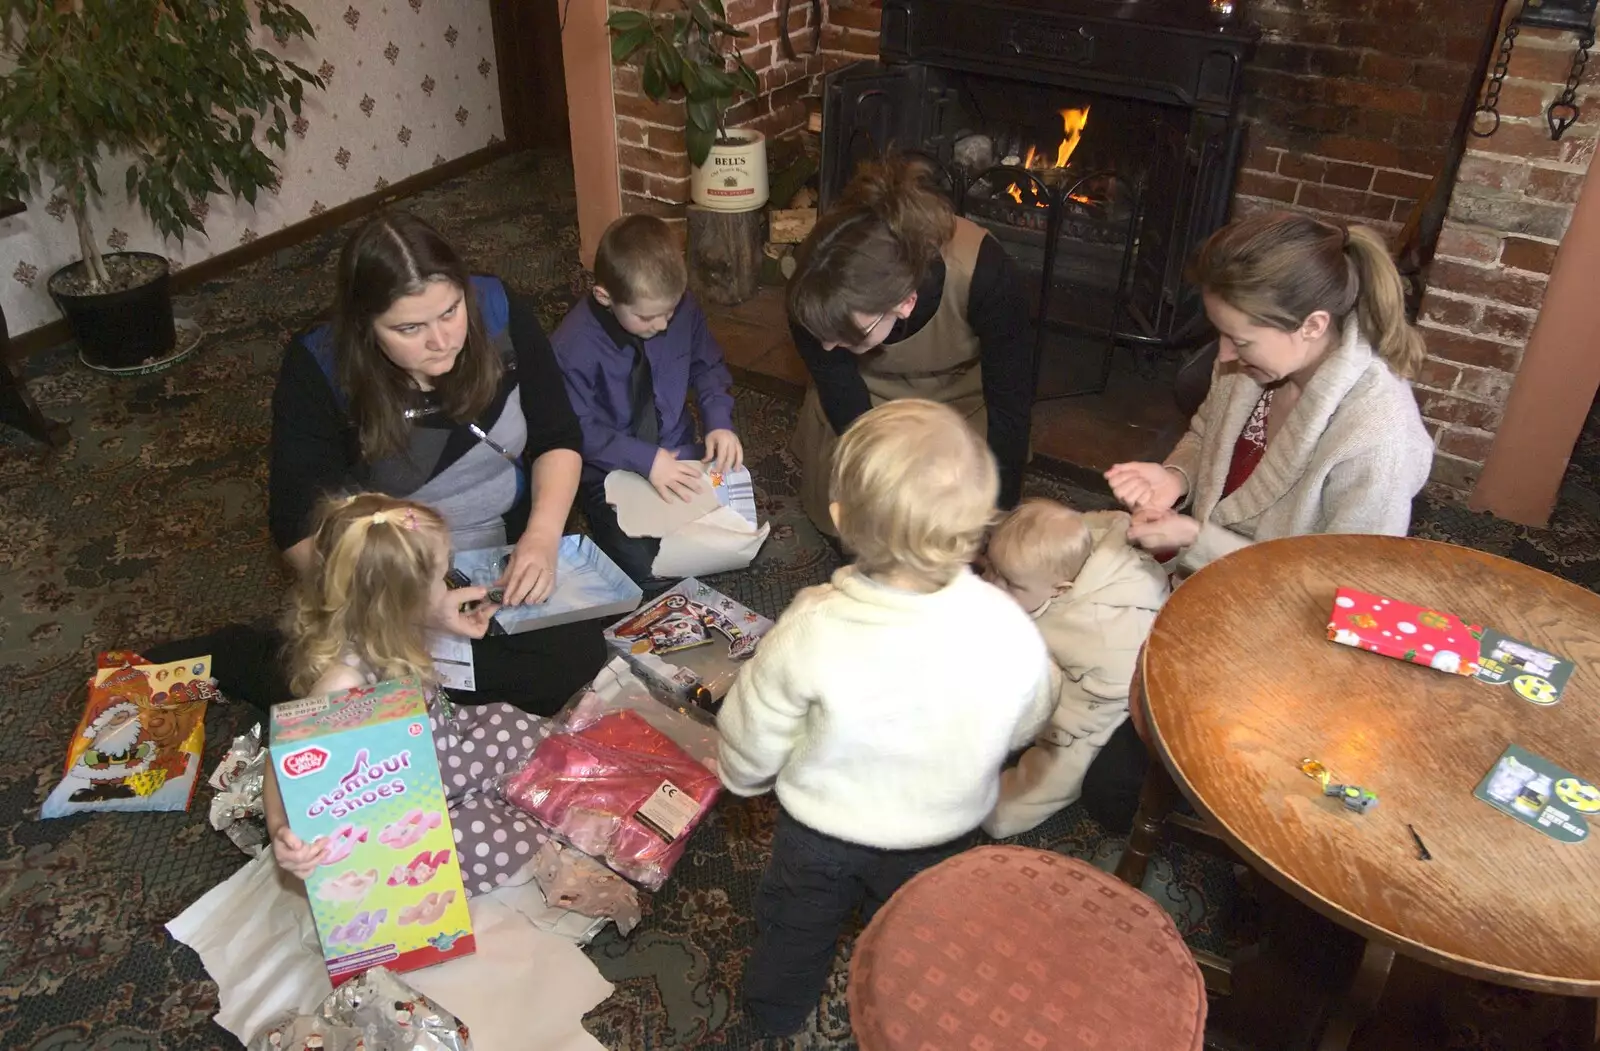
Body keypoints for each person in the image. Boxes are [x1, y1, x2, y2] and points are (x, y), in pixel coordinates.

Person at [1084, 211, 1434, 832]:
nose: (1221, 355)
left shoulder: (1379, 439)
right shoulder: (1256, 367)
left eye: (1239, 340)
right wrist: (1176, 478)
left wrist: (1197, 538)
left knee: (1113, 794)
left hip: (1292, 647)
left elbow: (1347, 597)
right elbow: (1203, 434)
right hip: (1209, 590)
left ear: (1313, 325)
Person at [715, 399, 1054, 1036]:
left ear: (841, 518)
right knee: (916, 931)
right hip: (941, 829)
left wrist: (744, 777)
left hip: (821, 833)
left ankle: (772, 1014)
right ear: (980, 525)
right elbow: (1030, 718)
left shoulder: (814, 623)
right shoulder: (1010, 627)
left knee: (796, 921)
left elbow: (755, 718)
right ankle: (908, 1016)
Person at [263, 210, 608, 715]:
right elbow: (297, 528)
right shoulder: (321, 365)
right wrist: (410, 601)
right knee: (351, 686)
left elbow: (558, 437)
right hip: (391, 576)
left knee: (577, 657)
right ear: (366, 326)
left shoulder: (500, 310)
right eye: (409, 328)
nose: (441, 340)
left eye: (450, 313)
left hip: (500, 552)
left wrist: (541, 536)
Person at [264, 493, 553, 896]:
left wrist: (440, 614)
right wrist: (280, 829)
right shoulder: (343, 682)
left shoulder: (388, 623)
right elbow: (282, 765)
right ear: (402, 600)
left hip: (444, 746)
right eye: (442, 575)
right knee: (486, 838)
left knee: (514, 726)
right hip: (406, 796)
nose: (450, 579)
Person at [786, 154, 1035, 539]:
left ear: (905, 301)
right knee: (863, 530)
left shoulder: (987, 274)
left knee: (958, 530)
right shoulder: (815, 283)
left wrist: (998, 514)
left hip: (957, 407)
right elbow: (842, 395)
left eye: (850, 334)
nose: (827, 344)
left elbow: (1010, 403)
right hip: (863, 401)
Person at [549, 214, 742, 582]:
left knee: (734, 530)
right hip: (610, 469)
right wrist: (645, 459)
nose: (664, 325)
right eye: (648, 316)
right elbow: (576, 429)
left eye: (670, 310)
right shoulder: (571, 347)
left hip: (677, 448)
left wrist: (719, 421)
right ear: (605, 296)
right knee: (646, 567)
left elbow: (707, 364)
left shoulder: (680, 308)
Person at [979, 498, 1168, 839]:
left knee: (1001, 816)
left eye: (1009, 583)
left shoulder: (1104, 637)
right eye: (991, 568)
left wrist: (1037, 727)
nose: (992, 583)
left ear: (1060, 589)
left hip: (1091, 715)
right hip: (1048, 668)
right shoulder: (1054, 555)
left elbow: (1095, 707)